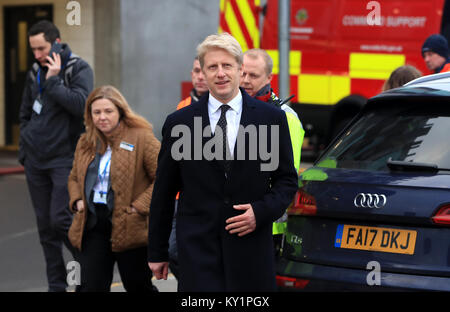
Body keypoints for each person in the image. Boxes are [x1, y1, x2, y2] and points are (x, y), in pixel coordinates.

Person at [147, 33, 298, 291]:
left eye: (227, 65)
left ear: (240, 69)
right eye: (212, 66)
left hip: (251, 252)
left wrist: (260, 212)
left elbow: (286, 180)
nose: (220, 73)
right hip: (198, 254)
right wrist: (157, 251)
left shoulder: (271, 119)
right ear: (202, 72)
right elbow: (164, 190)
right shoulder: (179, 123)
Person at [19, 20, 93, 292]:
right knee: (45, 230)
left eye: (41, 48)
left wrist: (53, 82)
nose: (37, 55)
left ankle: (89, 267)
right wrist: (25, 144)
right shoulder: (34, 71)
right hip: (35, 160)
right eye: (33, 49)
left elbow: (82, 106)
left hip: (64, 158)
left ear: (57, 43)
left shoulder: (78, 68)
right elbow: (25, 111)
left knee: (60, 219)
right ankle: (56, 286)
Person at [67, 86, 161, 292]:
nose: (102, 117)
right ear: (90, 115)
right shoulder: (85, 141)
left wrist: (138, 207)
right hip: (92, 224)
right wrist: (77, 201)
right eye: (96, 112)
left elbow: (164, 179)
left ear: (120, 111)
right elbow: (74, 177)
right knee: (89, 286)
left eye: (108, 111)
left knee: (138, 286)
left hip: (130, 225)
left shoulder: (141, 137)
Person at [241, 48, 305, 256]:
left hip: (268, 221)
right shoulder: (232, 107)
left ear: (269, 77)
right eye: (242, 73)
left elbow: (286, 176)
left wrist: (264, 212)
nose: (246, 80)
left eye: (253, 75)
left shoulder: (286, 118)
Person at [169, 56, 210, 280]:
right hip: (179, 195)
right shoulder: (183, 106)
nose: (201, 76)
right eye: (196, 71)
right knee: (173, 251)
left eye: (205, 70)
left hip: (205, 196)